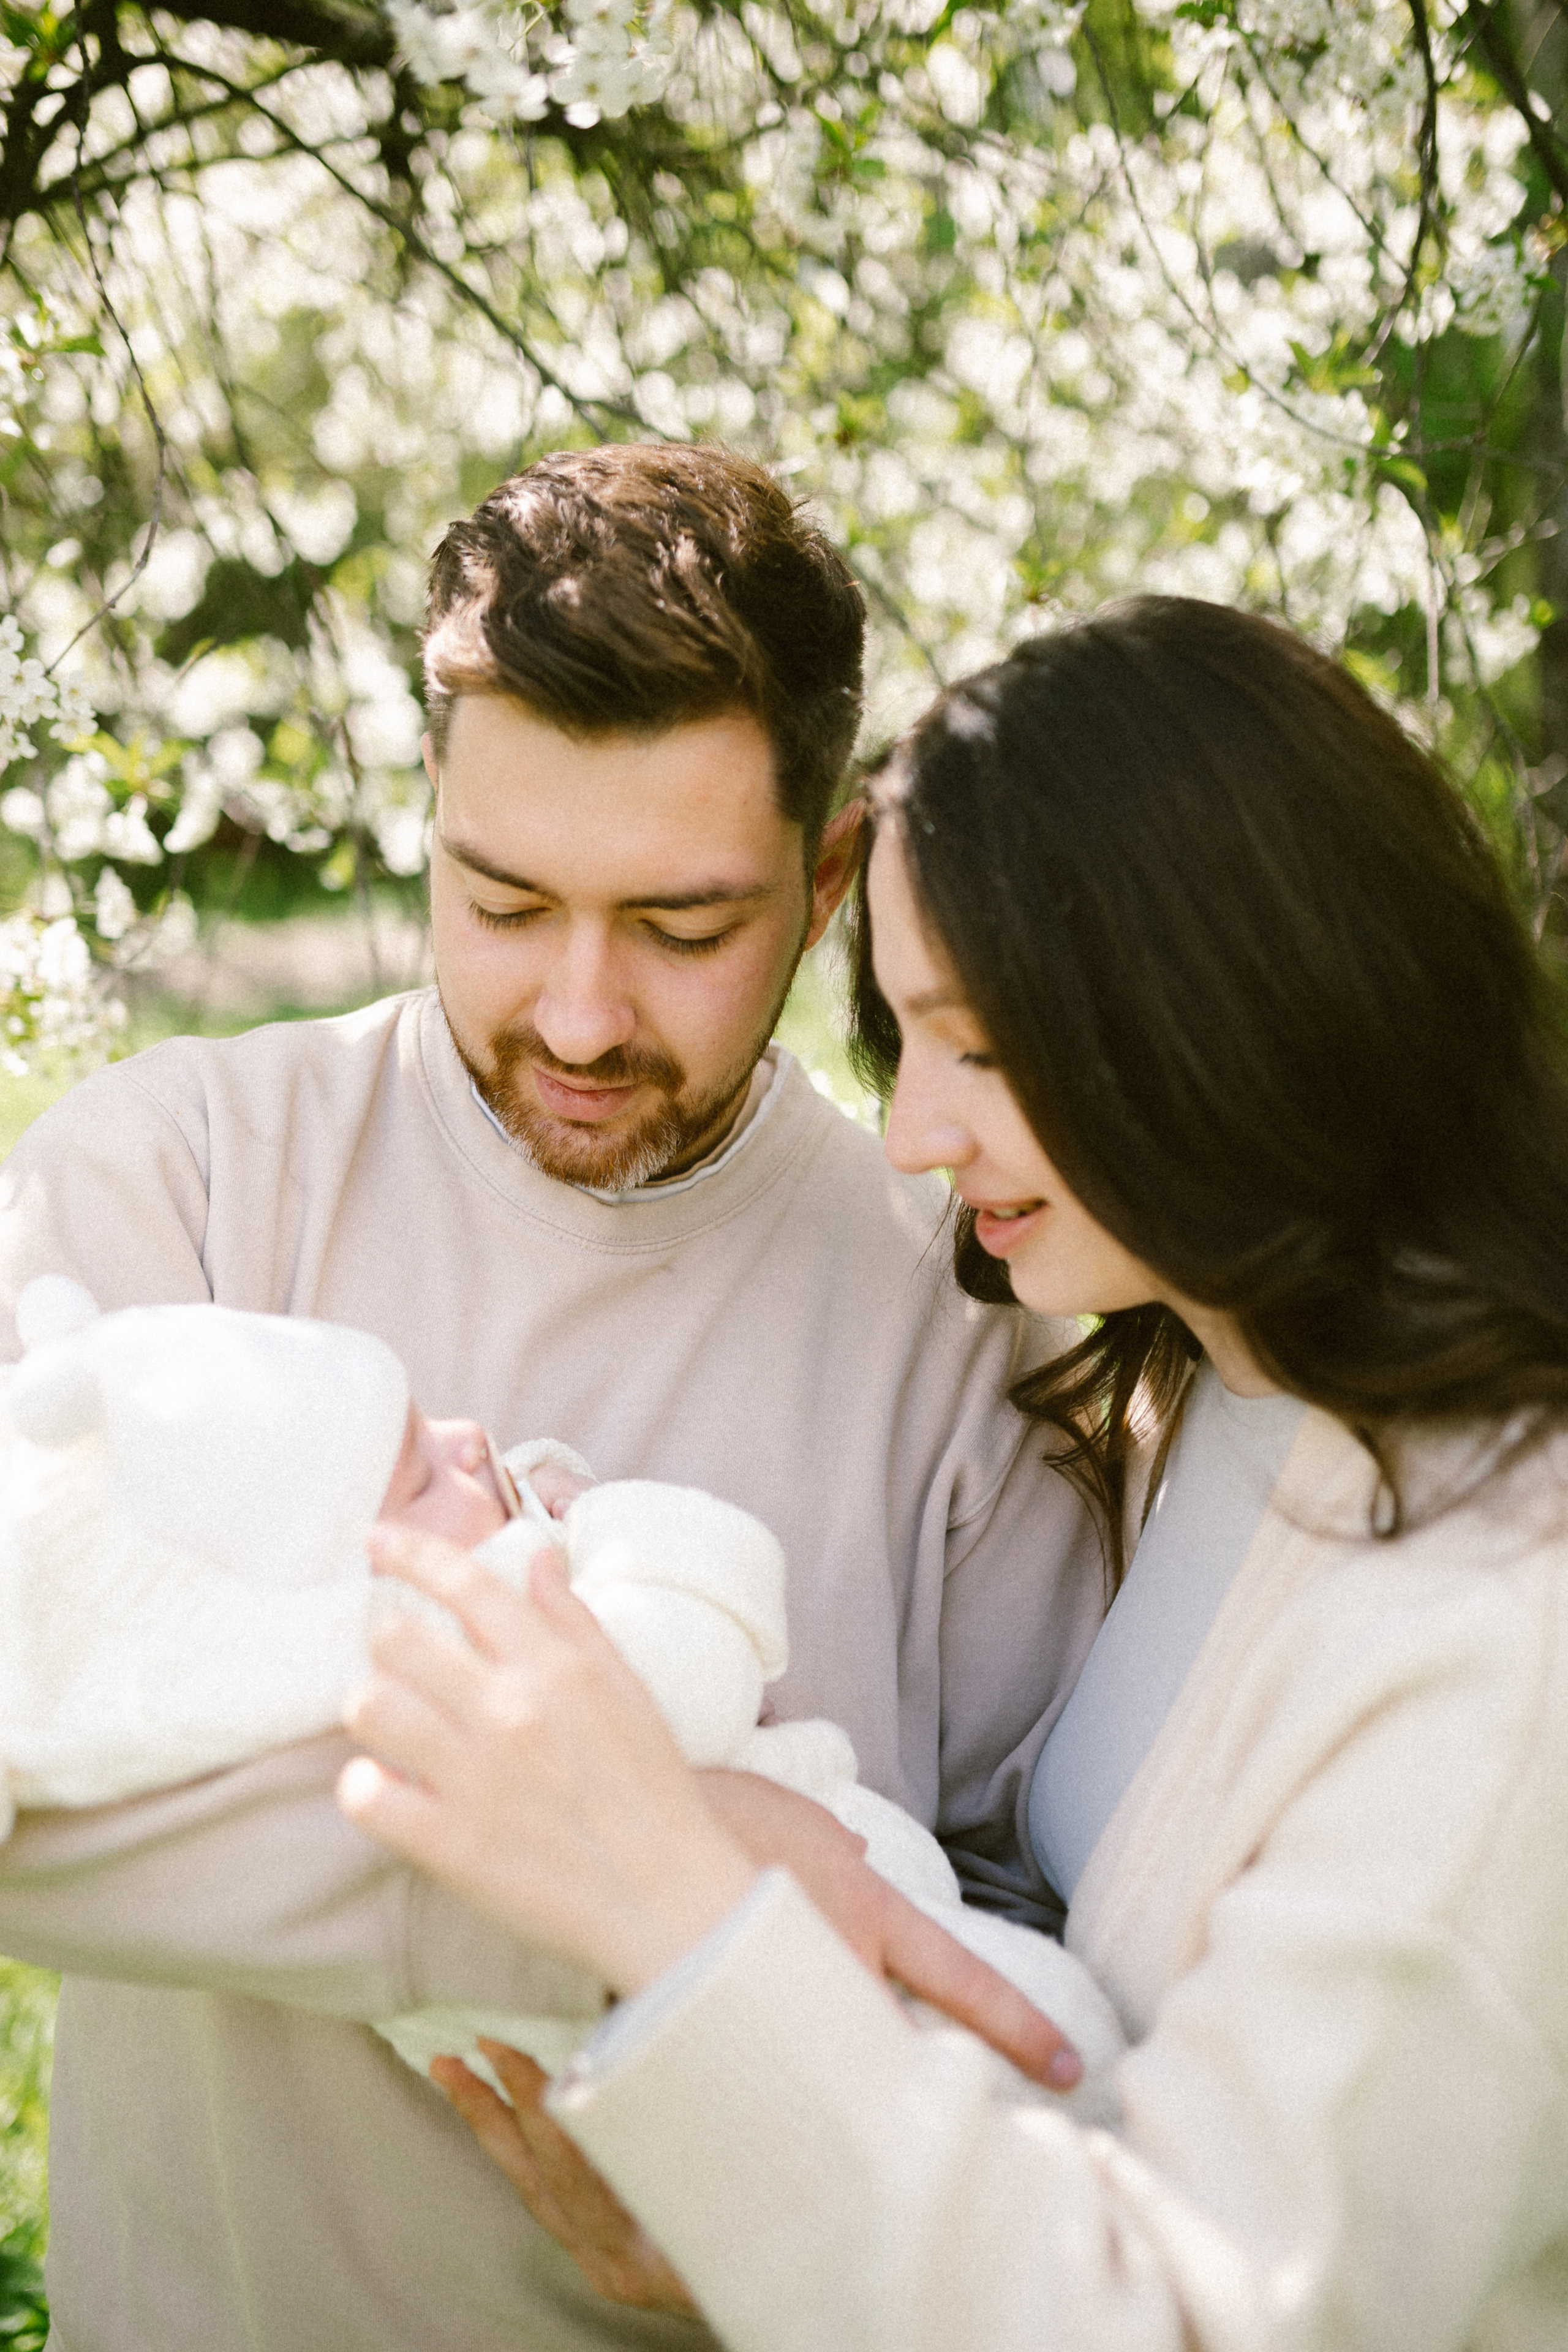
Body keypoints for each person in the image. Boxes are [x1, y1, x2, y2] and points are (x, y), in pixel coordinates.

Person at [340, 595, 1568, 2352]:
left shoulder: (1506, 1616)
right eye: (903, 1042)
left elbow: (1205, 2318)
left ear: (1243, 996)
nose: (917, 1133)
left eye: (984, 1047)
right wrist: (753, 2197)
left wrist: (664, 1869)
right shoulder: (1227, 1400)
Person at [0, 443, 1105, 2352]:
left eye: (682, 929)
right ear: (428, 815)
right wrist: (662, 1892)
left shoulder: (971, 1318)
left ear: (830, 880)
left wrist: (779, 2153)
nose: (583, 1014)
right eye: (503, 902)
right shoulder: (169, 1179)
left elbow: (1003, 1947)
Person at [0, 1278, 1123, 2102]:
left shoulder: (338, 1668)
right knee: (1058, 2053)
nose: (469, 1439)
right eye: (420, 1469)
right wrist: (612, 1520)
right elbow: (687, 1679)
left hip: (744, 2015)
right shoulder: (480, 1660)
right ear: (358, 1579)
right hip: (797, 2007)